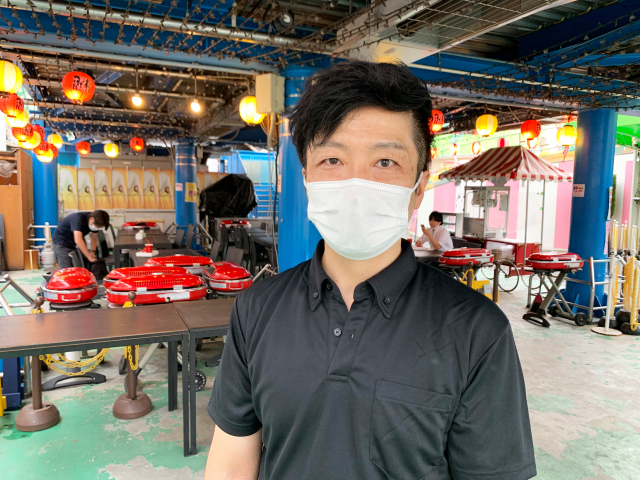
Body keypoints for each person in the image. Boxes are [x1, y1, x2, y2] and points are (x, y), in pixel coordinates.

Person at [204, 61, 535, 480]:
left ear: (419, 187)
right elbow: (231, 464)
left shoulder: (477, 331)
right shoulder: (256, 309)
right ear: (306, 179)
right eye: (332, 159)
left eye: (385, 162)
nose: (356, 184)